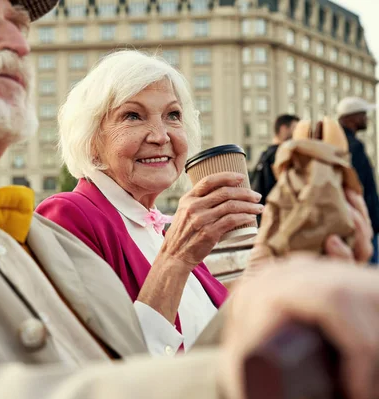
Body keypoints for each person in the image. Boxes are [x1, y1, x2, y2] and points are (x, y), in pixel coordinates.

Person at [0, 1, 376, 399]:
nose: (15, 39)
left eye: (16, 19)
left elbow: (133, 366)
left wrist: (285, 289)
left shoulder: (49, 240)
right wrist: (226, 380)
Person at [36, 51, 371, 351]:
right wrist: (176, 258)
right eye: (133, 116)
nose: (161, 135)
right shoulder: (67, 214)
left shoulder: (169, 227)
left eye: (173, 115)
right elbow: (101, 366)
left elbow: (229, 345)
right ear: (92, 140)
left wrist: (298, 267)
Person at [338, 97, 379, 264]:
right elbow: (358, 189)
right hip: (364, 226)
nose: (366, 118)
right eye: (363, 115)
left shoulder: (340, 142)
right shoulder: (353, 146)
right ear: (350, 118)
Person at [250, 114, 300, 213]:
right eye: (295, 128)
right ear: (283, 129)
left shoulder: (266, 154)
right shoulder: (282, 154)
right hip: (277, 214)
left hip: (262, 214)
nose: (297, 133)